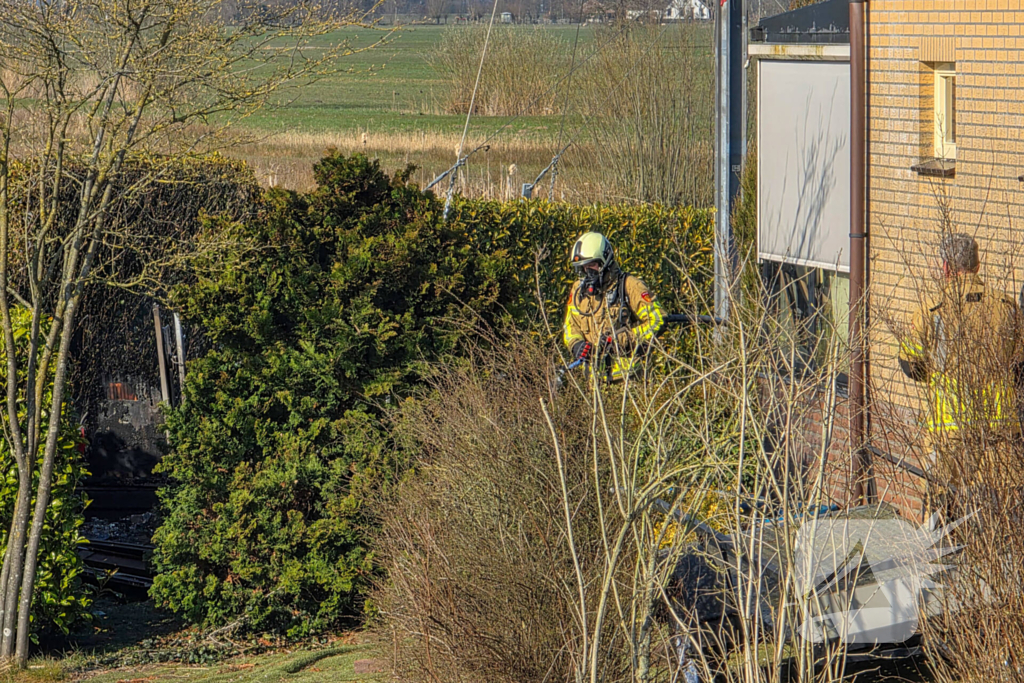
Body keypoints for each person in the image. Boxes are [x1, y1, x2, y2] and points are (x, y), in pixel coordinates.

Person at [898, 233, 1021, 482]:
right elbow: (1020, 366)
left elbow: (910, 365)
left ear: (945, 268)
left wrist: (937, 375)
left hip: (948, 431)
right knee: (999, 509)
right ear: (977, 266)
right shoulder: (1007, 307)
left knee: (941, 507)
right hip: (1000, 430)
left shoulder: (931, 309)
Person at [562, 232, 665, 382]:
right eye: (583, 267)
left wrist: (621, 340)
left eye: (592, 265)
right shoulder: (578, 291)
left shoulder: (629, 286)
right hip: (593, 384)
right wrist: (576, 344)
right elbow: (570, 325)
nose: (587, 272)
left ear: (605, 261)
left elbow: (658, 320)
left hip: (628, 383)